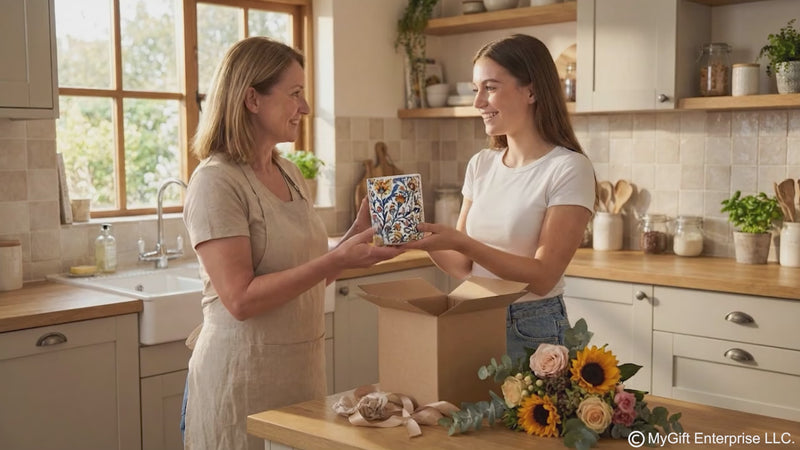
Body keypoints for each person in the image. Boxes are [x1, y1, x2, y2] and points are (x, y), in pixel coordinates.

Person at [181, 36, 402, 450]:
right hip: (241, 380)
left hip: (300, 376)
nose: (305, 107)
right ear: (252, 99)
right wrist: (336, 260)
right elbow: (241, 300)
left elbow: (304, 275)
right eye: (295, 94)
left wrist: (357, 235)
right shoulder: (216, 182)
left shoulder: (288, 173)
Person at [402, 34, 596, 362]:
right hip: (471, 314)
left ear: (532, 91)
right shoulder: (482, 164)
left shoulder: (568, 168)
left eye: (490, 88)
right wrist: (415, 236)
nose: (478, 102)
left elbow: (544, 275)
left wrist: (462, 242)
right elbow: (463, 266)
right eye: (477, 89)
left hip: (531, 327)